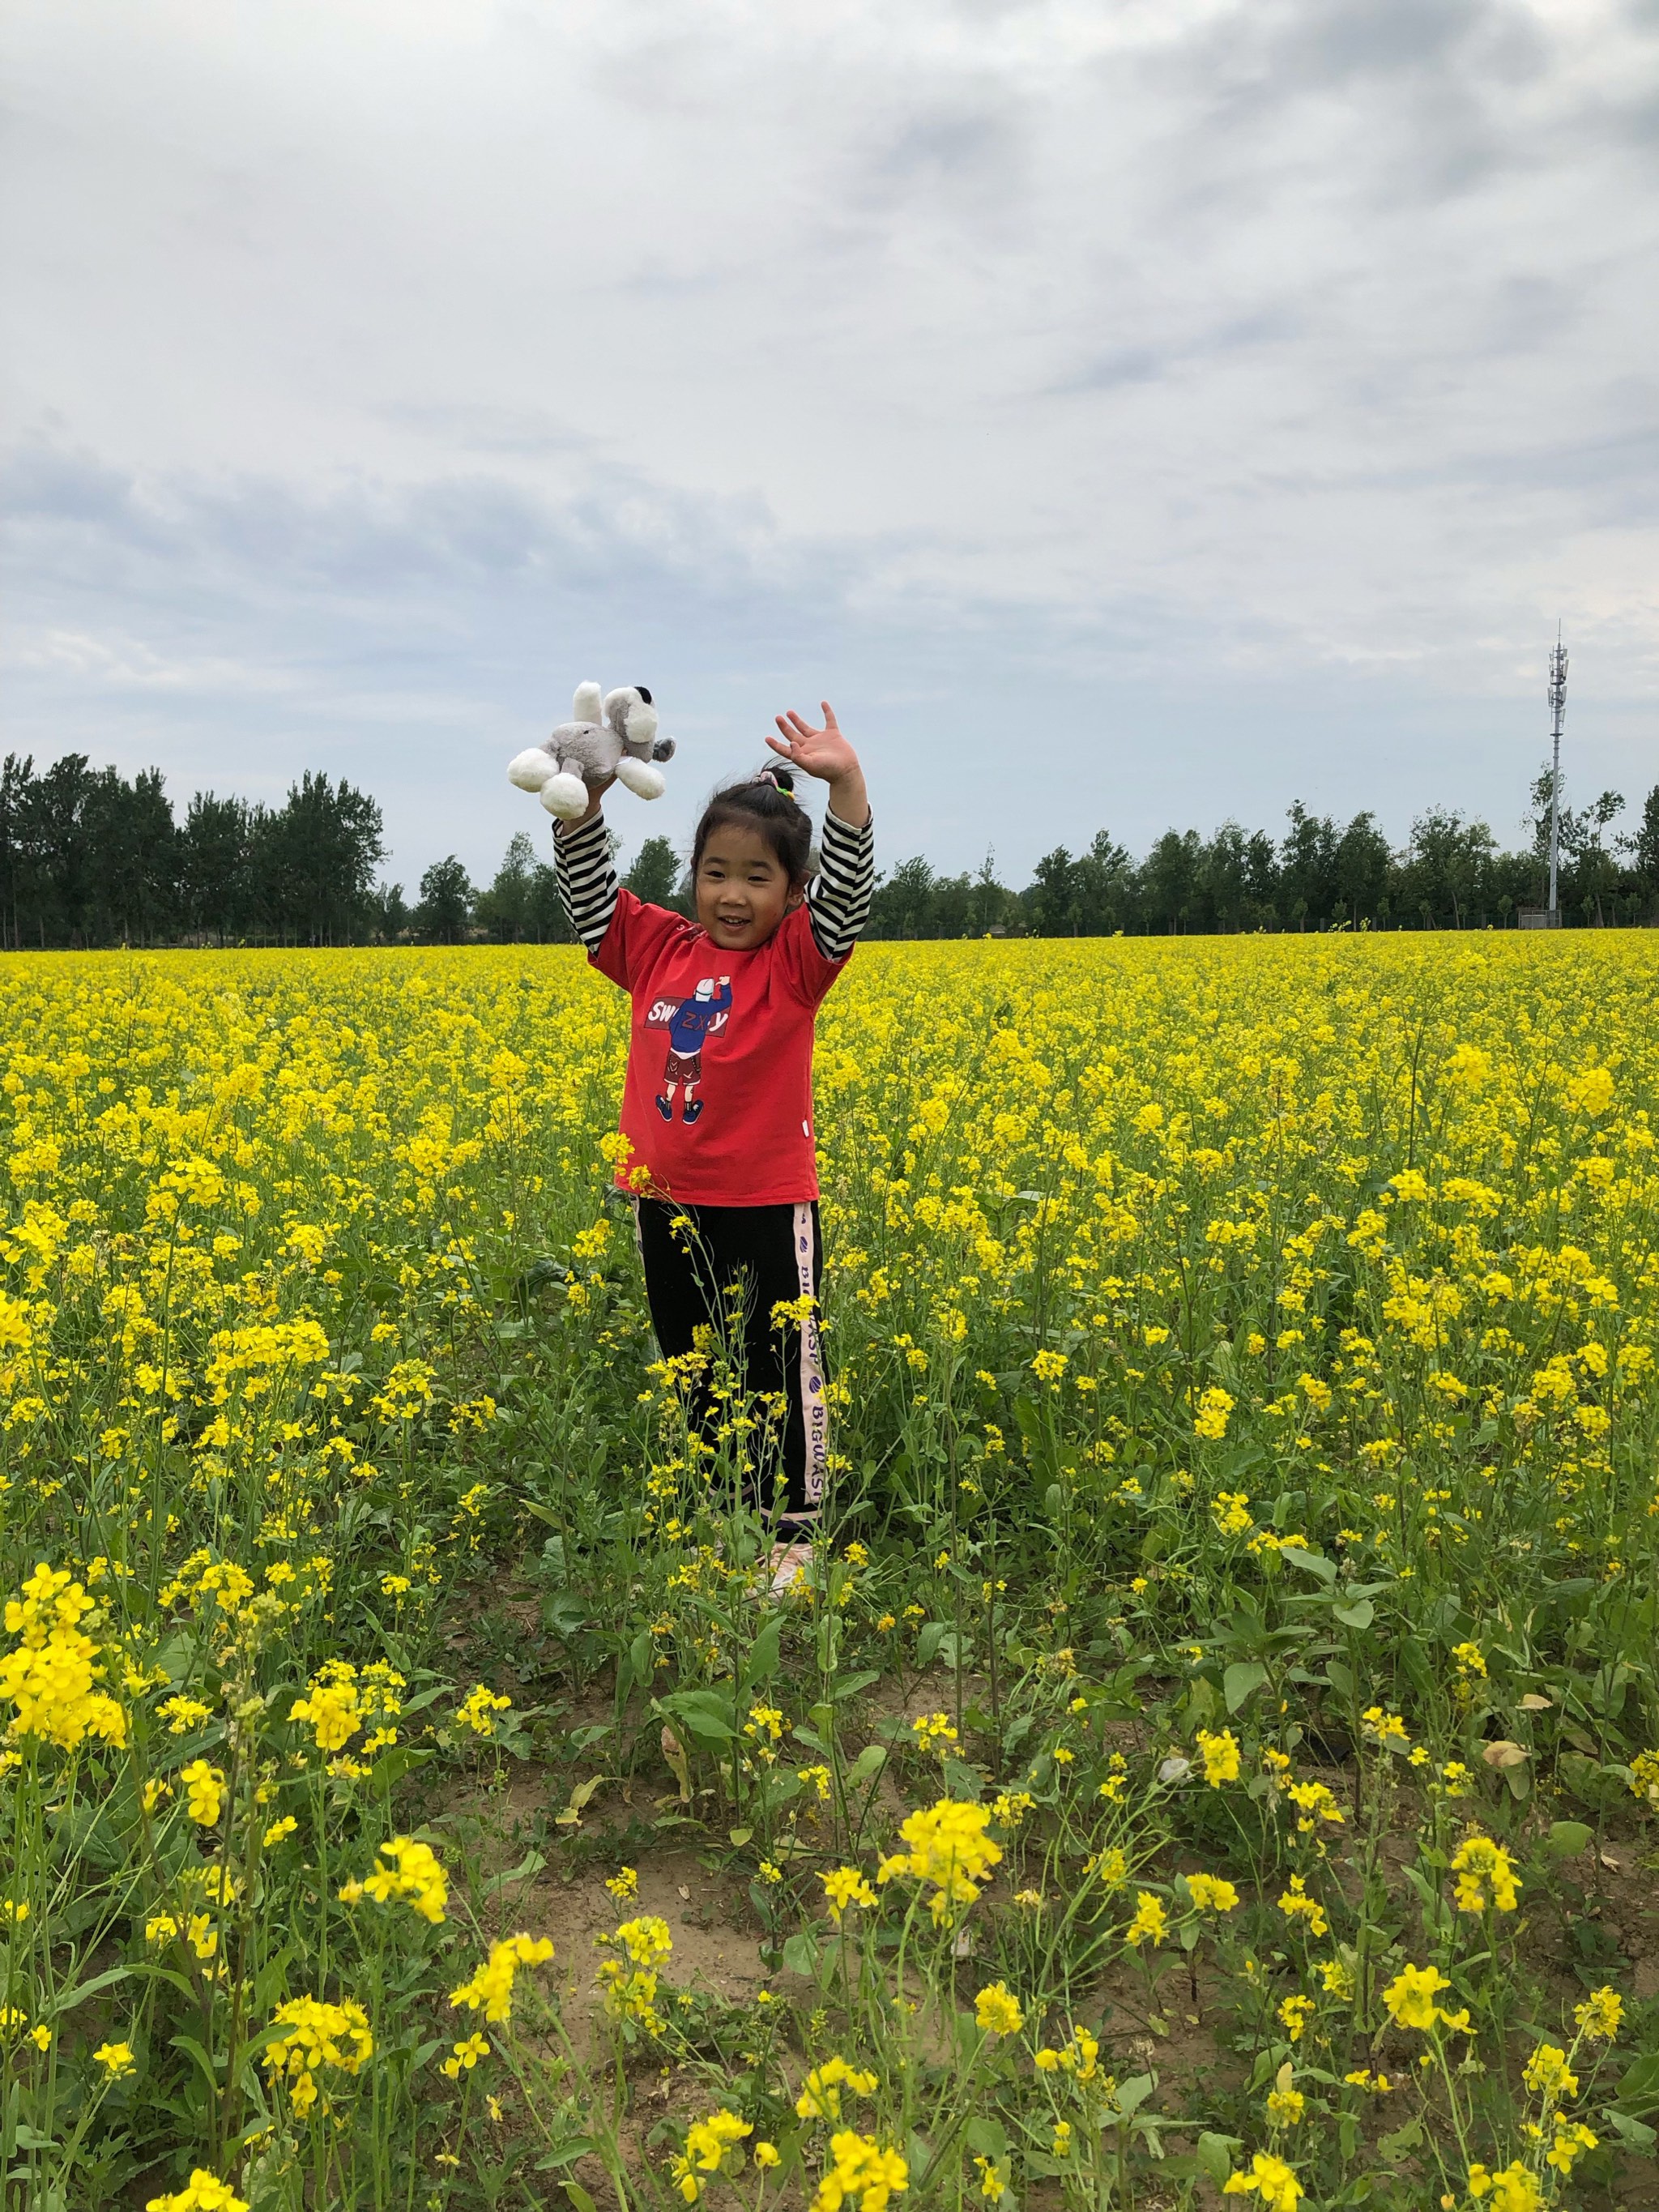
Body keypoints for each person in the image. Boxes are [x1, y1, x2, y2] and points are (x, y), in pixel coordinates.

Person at [553, 702, 874, 1595]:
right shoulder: (656, 948)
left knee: (783, 1362)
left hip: (768, 1199)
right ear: (691, 876)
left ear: (792, 892)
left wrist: (844, 785)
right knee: (689, 1358)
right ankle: (721, 1504)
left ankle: (793, 1532)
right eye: (714, 873)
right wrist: (581, 803)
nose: (732, 894)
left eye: (757, 878)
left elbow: (848, 898)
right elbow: (590, 902)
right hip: (665, 1199)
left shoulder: (797, 964)